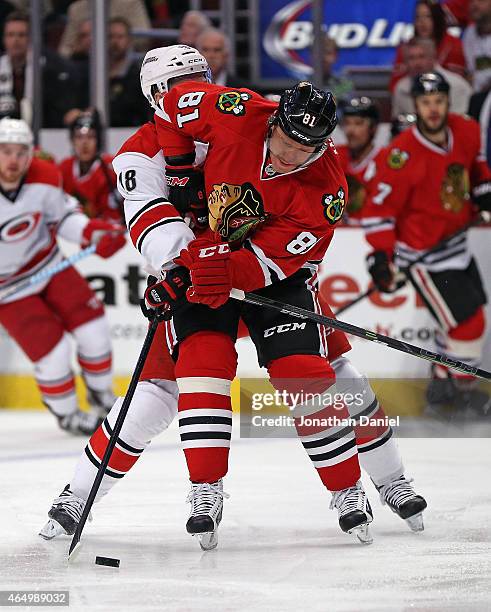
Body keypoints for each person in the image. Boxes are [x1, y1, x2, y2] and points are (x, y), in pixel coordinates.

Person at [39, 45, 426, 547]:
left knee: (326, 373)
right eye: (188, 80)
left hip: (268, 276)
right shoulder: (140, 152)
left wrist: (228, 263)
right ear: (159, 95)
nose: (200, 85)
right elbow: (152, 224)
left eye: (203, 75)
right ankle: (81, 494)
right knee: (156, 394)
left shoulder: (242, 113)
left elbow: (285, 251)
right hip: (199, 280)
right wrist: (182, 270)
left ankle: (388, 478)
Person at [151, 73, 428, 546]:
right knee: (201, 369)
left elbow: (276, 260)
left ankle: (375, 482)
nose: (289, 156)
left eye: (305, 149)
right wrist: (179, 171)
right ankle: (205, 487)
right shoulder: (236, 111)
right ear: (274, 119)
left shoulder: (326, 186)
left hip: (278, 279)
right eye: (285, 141)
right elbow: (170, 102)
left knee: (317, 372)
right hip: (208, 259)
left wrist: (226, 269)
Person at [362, 72, 491, 416]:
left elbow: (475, 164)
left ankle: (440, 383)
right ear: (415, 106)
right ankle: (462, 388)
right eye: (425, 103)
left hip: (458, 244)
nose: (433, 109)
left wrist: (483, 188)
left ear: (448, 101)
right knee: (469, 324)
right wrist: (380, 256)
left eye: (438, 101)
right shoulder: (399, 156)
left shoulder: (465, 130)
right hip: (424, 257)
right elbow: (379, 212)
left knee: (457, 321)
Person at [0, 117, 126, 435]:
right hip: (8, 291)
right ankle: (68, 414)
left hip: (49, 266)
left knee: (95, 331)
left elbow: (63, 218)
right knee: (54, 354)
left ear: (31, 154)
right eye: (5, 151)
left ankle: (102, 394)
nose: (13, 160)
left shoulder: (44, 177)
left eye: (20, 152)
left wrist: (92, 233)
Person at [0, 11, 83, 127]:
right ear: (4, 39)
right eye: (10, 35)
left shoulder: (50, 70)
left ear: (30, 38)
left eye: (21, 35)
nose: (16, 40)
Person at [59, 110, 123, 222]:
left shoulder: (112, 167)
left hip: (108, 232)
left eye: (90, 137)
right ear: (72, 141)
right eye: (79, 137)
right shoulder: (64, 168)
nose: (85, 143)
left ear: (98, 140)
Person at [390, 0, 466, 92]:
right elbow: (395, 85)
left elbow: (459, 83)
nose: (422, 22)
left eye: (428, 16)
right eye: (418, 17)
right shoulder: (407, 47)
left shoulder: (454, 45)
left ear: (437, 18)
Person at [392, 38, 471, 117]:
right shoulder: (401, 88)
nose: (417, 63)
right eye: (411, 58)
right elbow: (398, 123)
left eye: (421, 57)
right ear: (406, 62)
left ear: (433, 58)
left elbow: (460, 122)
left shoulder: (456, 85)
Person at [337, 97, 384, 221]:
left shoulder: (386, 160)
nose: (350, 130)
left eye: (358, 123)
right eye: (347, 123)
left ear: (373, 128)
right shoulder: (334, 156)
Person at [108, 17, 150, 127]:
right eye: (110, 37)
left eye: (120, 37)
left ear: (129, 40)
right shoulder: (94, 74)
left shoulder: (139, 76)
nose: (114, 42)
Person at [463, 0, 491, 92]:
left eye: (480, 0)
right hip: (476, 97)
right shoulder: (469, 33)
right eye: (471, 1)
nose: (474, 4)